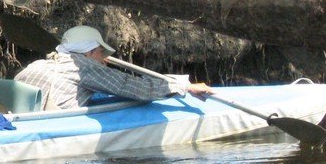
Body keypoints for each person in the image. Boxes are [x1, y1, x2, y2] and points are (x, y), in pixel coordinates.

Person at [14, 25, 212, 111]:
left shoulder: (39, 64)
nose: (105, 59)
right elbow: (131, 86)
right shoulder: (84, 67)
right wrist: (184, 87)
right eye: (102, 53)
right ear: (90, 52)